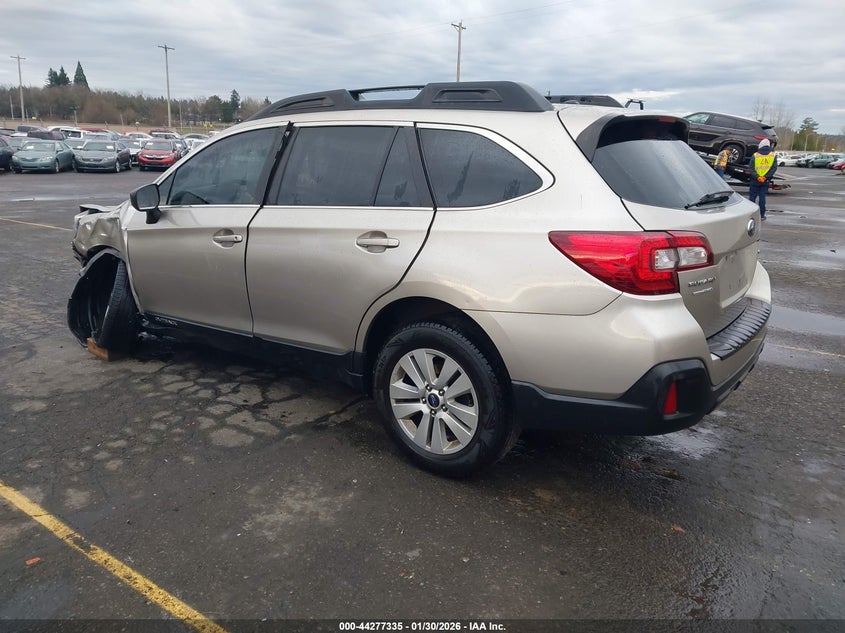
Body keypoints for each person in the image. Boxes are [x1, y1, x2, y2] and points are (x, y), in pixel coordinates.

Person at [748, 139, 777, 220]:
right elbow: (774, 168)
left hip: (755, 180)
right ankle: (762, 215)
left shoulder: (755, 155)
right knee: (762, 198)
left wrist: (757, 177)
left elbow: (751, 168)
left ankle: (750, 215)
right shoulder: (773, 155)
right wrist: (765, 177)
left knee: (752, 198)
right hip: (765, 180)